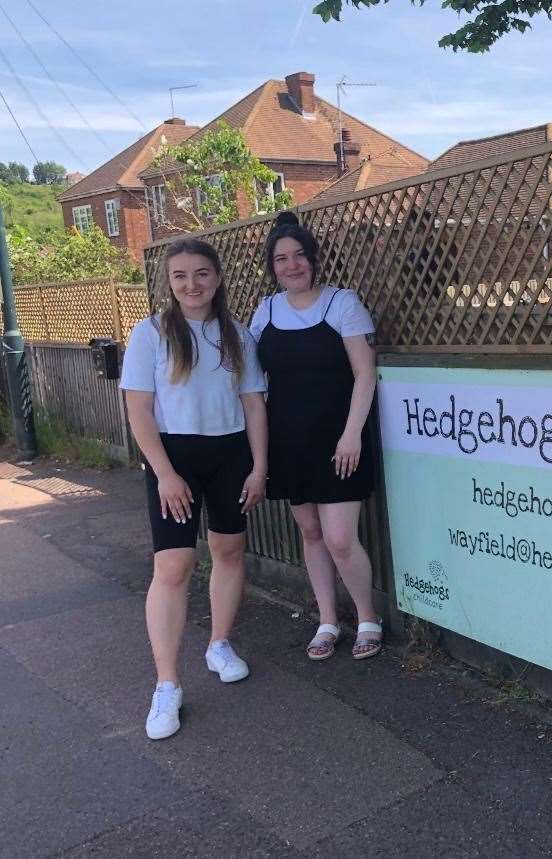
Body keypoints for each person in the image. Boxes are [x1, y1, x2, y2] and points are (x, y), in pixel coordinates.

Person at [121, 238, 268, 741]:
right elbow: (139, 410)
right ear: (169, 281)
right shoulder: (151, 334)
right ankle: (166, 686)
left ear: (218, 277)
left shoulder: (239, 337)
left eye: (202, 273)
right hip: (174, 457)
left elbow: (253, 406)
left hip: (230, 455)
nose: (192, 284)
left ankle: (219, 645)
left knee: (229, 550)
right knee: (174, 565)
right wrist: (164, 472)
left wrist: (258, 467)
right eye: (180, 275)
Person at [250, 211, 382, 661]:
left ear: (314, 259)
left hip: (339, 441)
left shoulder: (342, 304)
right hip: (288, 442)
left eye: (299, 256)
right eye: (281, 259)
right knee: (310, 531)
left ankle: (367, 618)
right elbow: (249, 377)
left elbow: (365, 374)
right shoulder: (264, 311)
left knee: (341, 537)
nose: (292, 266)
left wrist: (352, 436)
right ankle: (328, 621)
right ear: (272, 266)